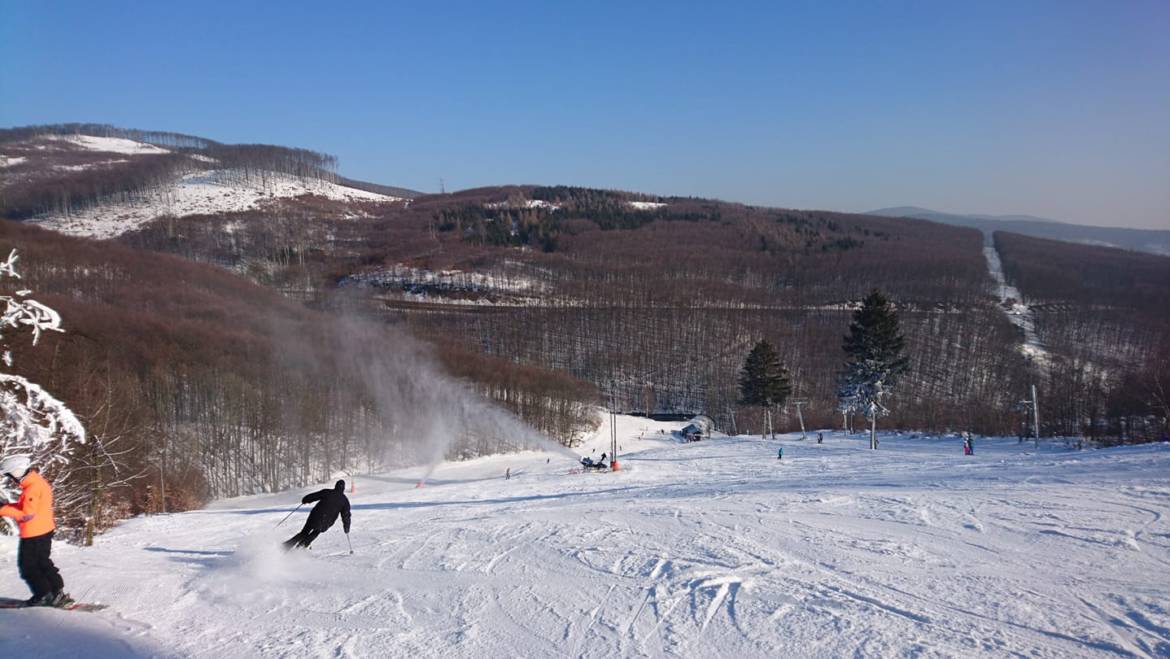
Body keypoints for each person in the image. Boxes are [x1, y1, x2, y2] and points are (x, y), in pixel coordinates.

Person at [0, 455, 72, 607]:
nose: (11, 479)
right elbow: (26, 508)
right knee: (42, 562)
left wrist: (3, 509)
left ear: (17, 472)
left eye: (10, 475)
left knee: (28, 565)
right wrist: (6, 507)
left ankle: (44, 595)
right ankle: (56, 592)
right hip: (42, 529)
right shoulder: (36, 482)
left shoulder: (32, 488)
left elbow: (26, 514)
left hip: (35, 532)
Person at [284, 480, 351, 550]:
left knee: (304, 532)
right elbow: (346, 515)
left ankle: (287, 546)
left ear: (336, 486)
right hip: (327, 521)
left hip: (314, 516)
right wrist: (346, 527)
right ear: (343, 488)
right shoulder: (344, 500)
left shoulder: (327, 492)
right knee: (316, 532)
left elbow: (315, 496)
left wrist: (306, 499)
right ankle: (301, 547)